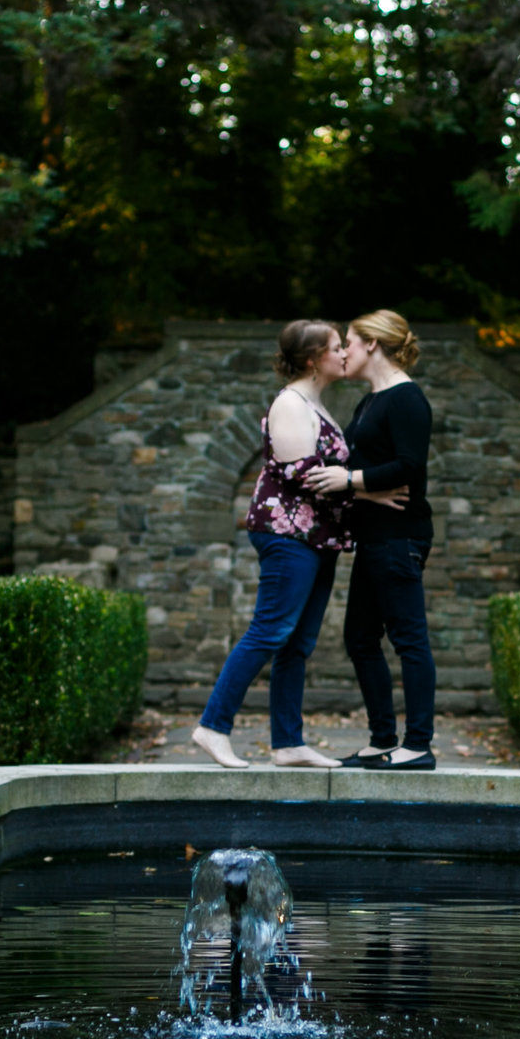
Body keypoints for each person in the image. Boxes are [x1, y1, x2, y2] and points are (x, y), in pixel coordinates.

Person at [191, 320, 374, 768]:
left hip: (316, 539)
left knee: (297, 642)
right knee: (269, 629)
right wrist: (371, 490)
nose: (345, 353)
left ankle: (288, 743)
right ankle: (212, 727)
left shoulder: (316, 404)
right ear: (313, 359)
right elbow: (305, 475)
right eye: (336, 347)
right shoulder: (290, 404)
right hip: (287, 535)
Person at [305, 310, 436, 770]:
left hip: (400, 537)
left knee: (408, 639)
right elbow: (368, 473)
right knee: (360, 637)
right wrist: (362, 486)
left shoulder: (406, 399)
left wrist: (350, 479)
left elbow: (410, 468)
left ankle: (418, 745)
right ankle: (383, 738)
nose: (344, 351)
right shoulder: (369, 402)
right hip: (374, 537)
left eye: (350, 343)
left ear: (373, 345)